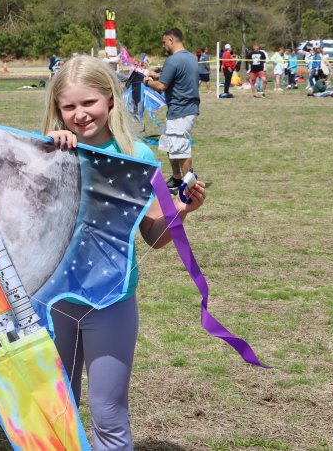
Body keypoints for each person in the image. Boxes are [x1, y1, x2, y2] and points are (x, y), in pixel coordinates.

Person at [42, 55, 206, 451]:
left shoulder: (139, 156)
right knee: (52, 415)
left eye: (89, 103)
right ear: (57, 109)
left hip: (112, 302)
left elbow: (154, 235)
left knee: (109, 414)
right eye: (69, 106)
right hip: (50, 302)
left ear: (110, 100)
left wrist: (181, 210)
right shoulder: (42, 151)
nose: (80, 114)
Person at [142, 28, 201, 193]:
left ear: (171, 40)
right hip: (183, 109)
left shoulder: (173, 60)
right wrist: (156, 75)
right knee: (170, 144)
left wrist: (146, 81)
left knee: (180, 147)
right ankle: (176, 178)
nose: (163, 46)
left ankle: (190, 185)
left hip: (181, 110)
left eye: (163, 42)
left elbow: (161, 87)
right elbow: (175, 78)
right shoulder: (190, 57)